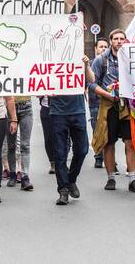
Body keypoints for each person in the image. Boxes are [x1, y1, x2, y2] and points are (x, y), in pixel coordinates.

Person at [90, 29, 135, 193]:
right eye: (116, 39)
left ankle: (133, 178)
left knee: (131, 141)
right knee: (108, 141)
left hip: (128, 106)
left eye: (122, 39)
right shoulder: (101, 60)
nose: (119, 41)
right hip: (109, 106)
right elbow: (92, 84)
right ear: (111, 41)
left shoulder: (133, 59)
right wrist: (108, 94)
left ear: (126, 41)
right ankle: (111, 178)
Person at [50, 55, 95, 205]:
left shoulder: (79, 60)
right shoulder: (50, 61)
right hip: (58, 112)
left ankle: (71, 179)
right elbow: (39, 84)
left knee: (82, 149)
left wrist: (86, 65)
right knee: (60, 153)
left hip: (77, 111)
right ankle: (63, 190)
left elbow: (92, 79)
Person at [4, 96, 34, 190]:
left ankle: (25, 177)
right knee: (11, 145)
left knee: (25, 145)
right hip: (9, 106)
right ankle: (12, 174)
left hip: (26, 106)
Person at [89, 37, 109, 168]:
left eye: (105, 47)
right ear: (95, 49)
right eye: (100, 46)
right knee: (97, 129)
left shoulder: (110, 63)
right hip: (95, 102)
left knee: (109, 130)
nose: (103, 49)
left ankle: (108, 157)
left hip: (108, 101)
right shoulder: (90, 63)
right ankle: (98, 156)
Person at [39, 96, 54, 174]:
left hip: (61, 107)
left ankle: (61, 162)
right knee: (48, 137)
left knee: (63, 136)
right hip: (46, 108)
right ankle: (52, 163)